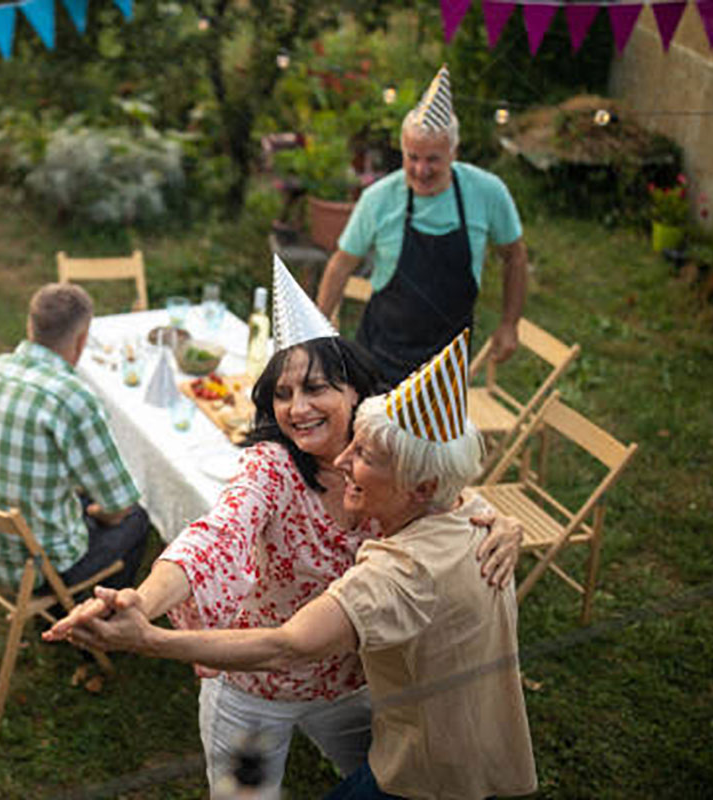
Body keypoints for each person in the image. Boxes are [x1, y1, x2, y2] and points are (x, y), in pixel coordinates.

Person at [47, 259, 521, 796]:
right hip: (254, 691)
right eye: (282, 394)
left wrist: (502, 523)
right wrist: (143, 601)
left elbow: (449, 501)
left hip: (351, 685)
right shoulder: (270, 467)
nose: (296, 409)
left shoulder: (394, 465)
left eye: (316, 389)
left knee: (385, 780)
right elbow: (214, 537)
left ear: (355, 392)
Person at [315, 65, 528, 385]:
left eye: (433, 160)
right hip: (379, 356)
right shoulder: (379, 198)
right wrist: (318, 331)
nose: (421, 169)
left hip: (447, 367)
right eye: (412, 157)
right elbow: (342, 263)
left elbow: (515, 256)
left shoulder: (487, 192)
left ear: (453, 152)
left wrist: (510, 323)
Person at [0, 283, 149, 594]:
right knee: (137, 519)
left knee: (84, 495)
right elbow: (118, 509)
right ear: (82, 339)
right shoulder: (73, 398)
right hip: (35, 569)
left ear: (30, 326)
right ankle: (101, 623)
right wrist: (100, 513)